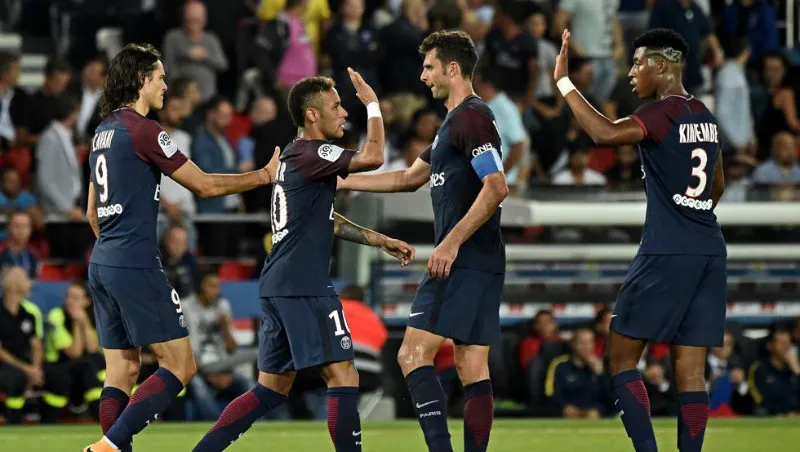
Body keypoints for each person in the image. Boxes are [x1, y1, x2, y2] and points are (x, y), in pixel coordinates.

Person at [192, 72, 415, 451]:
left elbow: (325, 218)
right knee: (343, 375)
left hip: (278, 283)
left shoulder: (296, 158)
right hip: (304, 285)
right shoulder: (314, 152)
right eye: (336, 106)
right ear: (312, 115)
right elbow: (374, 157)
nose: (344, 113)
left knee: (271, 389)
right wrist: (373, 105)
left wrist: (379, 240)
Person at [81, 43, 280, 452]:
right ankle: (108, 446)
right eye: (160, 78)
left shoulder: (102, 132)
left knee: (121, 371)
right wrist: (263, 176)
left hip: (102, 262)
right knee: (180, 365)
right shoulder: (145, 130)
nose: (165, 86)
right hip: (134, 262)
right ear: (142, 80)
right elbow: (204, 185)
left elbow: (91, 213)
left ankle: (112, 446)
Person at [553, 28, 727, 452]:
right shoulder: (704, 114)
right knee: (691, 373)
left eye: (636, 63)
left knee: (620, 357)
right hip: (709, 248)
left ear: (661, 65)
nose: (630, 73)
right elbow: (717, 184)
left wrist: (564, 83)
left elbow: (605, 134)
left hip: (667, 249)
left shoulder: (660, 112)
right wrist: (690, 209)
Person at [337, 30, 508, 452]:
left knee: (412, 354)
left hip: (462, 257)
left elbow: (496, 186)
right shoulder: (454, 124)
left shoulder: (471, 118)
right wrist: (341, 179)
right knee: (471, 365)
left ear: (453, 68)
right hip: (483, 257)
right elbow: (408, 177)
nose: (423, 76)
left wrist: (450, 242)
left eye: (430, 67)